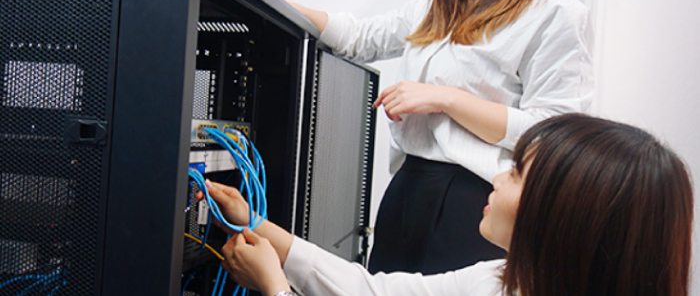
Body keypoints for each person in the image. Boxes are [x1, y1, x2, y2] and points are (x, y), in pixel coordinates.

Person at [288, 0, 593, 274]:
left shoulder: (557, 15)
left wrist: (446, 99)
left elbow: (554, 135)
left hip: (477, 204)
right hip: (407, 191)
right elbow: (358, 37)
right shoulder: (438, 5)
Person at [200, 113, 693, 296]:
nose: (496, 178)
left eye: (517, 172)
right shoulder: (504, 280)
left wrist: (275, 287)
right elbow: (374, 293)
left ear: (565, 216)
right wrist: (257, 223)